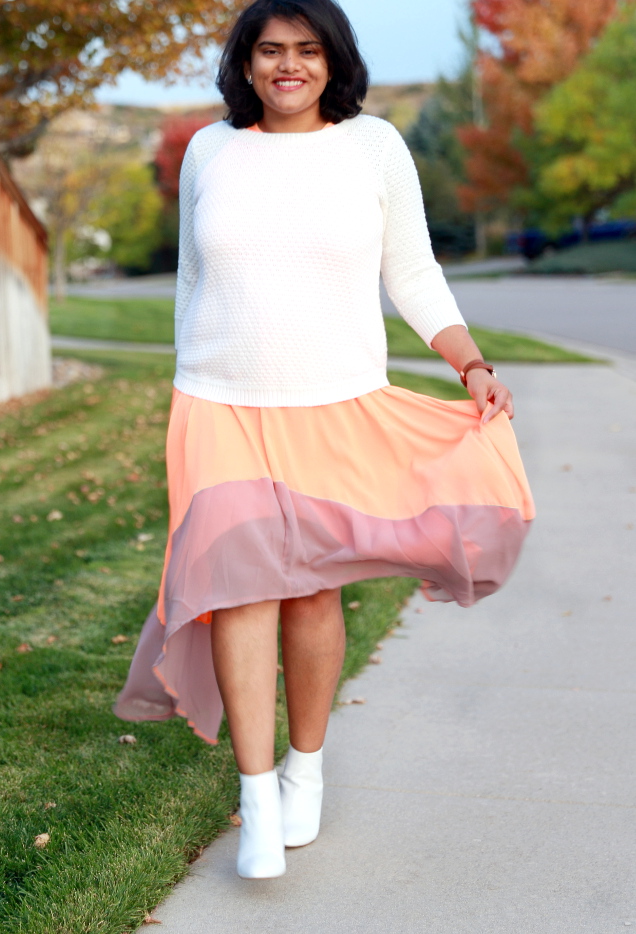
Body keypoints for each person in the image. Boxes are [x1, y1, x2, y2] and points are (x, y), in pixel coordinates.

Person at [114, 0, 534, 880]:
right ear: (247, 63)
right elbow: (195, 281)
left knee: (310, 597)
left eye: (307, 50)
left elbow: (411, 270)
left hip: (335, 401)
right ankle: (257, 795)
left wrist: (470, 363)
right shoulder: (209, 151)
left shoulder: (373, 147)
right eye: (271, 51)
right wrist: (194, 383)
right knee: (239, 590)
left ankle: (305, 767)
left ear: (334, 62)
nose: (288, 66)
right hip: (220, 405)